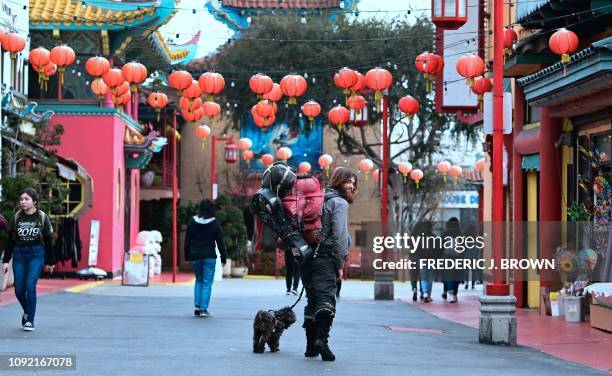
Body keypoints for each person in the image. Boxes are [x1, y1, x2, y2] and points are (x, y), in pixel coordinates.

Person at [301, 167, 356, 362]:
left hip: (307, 256)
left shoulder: (318, 198)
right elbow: (340, 235)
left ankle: (310, 346)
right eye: (349, 181)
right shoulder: (339, 203)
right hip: (325, 256)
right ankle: (321, 341)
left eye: (354, 183)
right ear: (339, 181)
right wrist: (340, 262)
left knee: (312, 299)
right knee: (326, 299)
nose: (352, 186)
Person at [2, 188, 55, 331]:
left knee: (30, 285)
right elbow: (10, 241)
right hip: (19, 255)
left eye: (26, 199)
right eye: (21, 199)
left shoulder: (42, 217)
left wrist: (50, 261)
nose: (23, 202)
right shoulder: (17, 217)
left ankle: (30, 320)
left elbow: (49, 240)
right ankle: (27, 311)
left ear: (34, 201)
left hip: (36, 254)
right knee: (19, 289)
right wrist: (6, 261)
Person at [184, 199, 227, 317]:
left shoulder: (192, 221)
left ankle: (197, 306)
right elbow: (220, 242)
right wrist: (223, 257)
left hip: (195, 256)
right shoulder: (214, 223)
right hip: (209, 257)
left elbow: (187, 240)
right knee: (207, 283)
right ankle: (203, 309)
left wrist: (187, 256)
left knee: (199, 280)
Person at [442, 217, 463, 303]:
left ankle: (450, 292)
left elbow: (440, 246)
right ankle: (454, 293)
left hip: (447, 257)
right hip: (458, 257)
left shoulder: (445, 234)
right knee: (456, 275)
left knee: (449, 274)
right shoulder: (460, 234)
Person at [414, 220, 436, 303]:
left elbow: (416, 249)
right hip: (431, 259)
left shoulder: (419, 237)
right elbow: (437, 249)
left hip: (422, 258)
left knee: (423, 277)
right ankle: (428, 294)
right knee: (430, 277)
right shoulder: (433, 237)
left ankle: (424, 293)